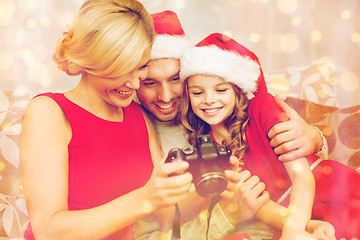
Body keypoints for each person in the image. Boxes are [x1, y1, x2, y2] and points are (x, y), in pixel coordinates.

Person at [135, 11, 333, 240]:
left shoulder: (232, 107)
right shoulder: (144, 130)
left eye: (175, 79)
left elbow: (298, 162)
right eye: (150, 83)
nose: (166, 96)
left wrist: (316, 137)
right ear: (135, 80)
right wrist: (234, 212)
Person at [19, 1, 194, 239]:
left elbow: (165, 217)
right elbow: (48, 231)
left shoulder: (137, 115)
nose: (134, 84)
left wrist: (220, 183)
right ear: (91, 63)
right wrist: (144, 198)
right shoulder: (49, 112)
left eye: (141, 67)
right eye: (122, 70)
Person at [180, 32, 360, 239]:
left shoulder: (263, 108)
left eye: (221, 90)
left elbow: (301, 175)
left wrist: (294, 228)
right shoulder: (206, 148)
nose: (209, 100)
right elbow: (259, 204)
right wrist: (306, 226)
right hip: (287, 216)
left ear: (237, 89)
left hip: (330, 190)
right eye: (197, 93)